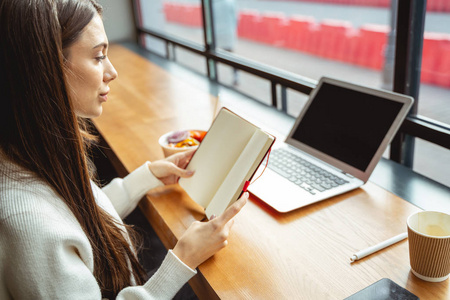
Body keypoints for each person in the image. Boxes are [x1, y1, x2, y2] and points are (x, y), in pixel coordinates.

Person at [0, 0, 247, 299]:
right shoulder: (28, 222)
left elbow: (75, 220)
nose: (112, 71)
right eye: (98, 56)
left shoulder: (26, 153)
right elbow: (55, 227)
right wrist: (182, 258)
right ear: (45, 68)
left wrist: (147, 177)